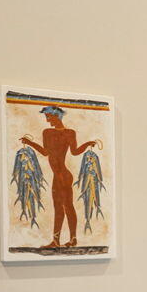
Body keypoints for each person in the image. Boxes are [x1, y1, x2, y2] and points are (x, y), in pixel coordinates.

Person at [19, 105, 99, 249]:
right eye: (47, 117)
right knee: (59, 208)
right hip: (58, 176)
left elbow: (74, 152)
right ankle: (56, 241)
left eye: (49, 117)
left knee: (67, 206)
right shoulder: (47, 132)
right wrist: (30, 143)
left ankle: (73, 239)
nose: (48, 120)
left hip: (64, 176)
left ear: (56, 116)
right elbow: (45, 152)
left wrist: (87, 144)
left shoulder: (70, 133)